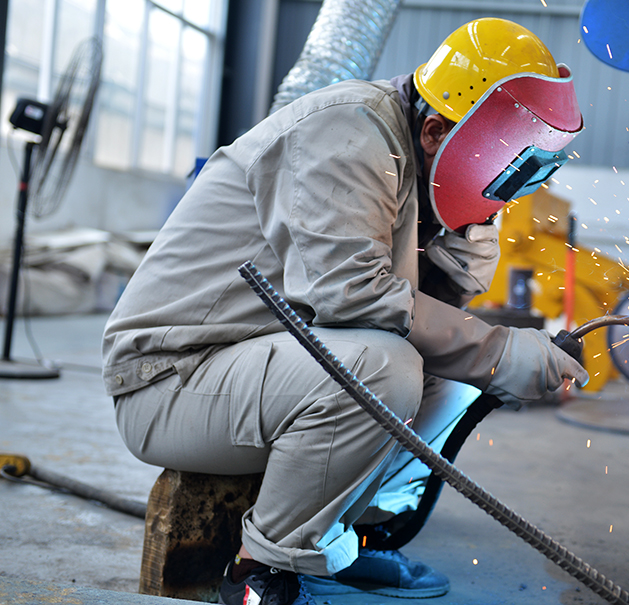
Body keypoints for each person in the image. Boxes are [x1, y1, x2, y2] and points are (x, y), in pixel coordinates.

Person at [102, 17, 588, 605]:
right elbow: (354, 297)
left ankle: (346, 539)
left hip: (260, 362)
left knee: (451, 378)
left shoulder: (420, 160)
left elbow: (435, 313)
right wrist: (499, 351)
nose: (505, 185)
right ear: (436, 131)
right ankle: (262, 570)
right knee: (381, 370)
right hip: (171, 378)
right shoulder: (349, 133)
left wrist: (471, 224)